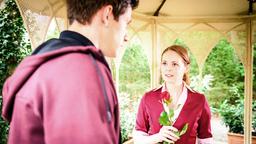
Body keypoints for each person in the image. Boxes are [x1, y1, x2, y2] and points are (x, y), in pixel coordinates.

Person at [1, 0, 139, 143]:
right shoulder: (81, 70)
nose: (127, 36)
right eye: (126, 23)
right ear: (107, 14)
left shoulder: (45, 62)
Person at [133, 45, 213, 144]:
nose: (168, 68)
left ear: (186, 68)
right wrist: (157, 137)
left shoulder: (199, 100)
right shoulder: (148, 98)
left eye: (174, 64)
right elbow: (138, 137)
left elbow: (205, 140)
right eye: (164, 63)